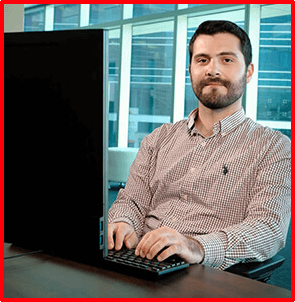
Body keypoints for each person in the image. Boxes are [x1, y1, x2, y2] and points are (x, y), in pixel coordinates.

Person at [108, 20, 291, 270]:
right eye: (202, 60)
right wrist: (123, 222)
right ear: (190, 69)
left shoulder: (274, 148)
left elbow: (268, 228)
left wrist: (196, 246)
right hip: (137, 261)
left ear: (248, 72)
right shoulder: (158, 138)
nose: (212, 70)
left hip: (202, 274)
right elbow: (132, 201)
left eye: (227, 60)